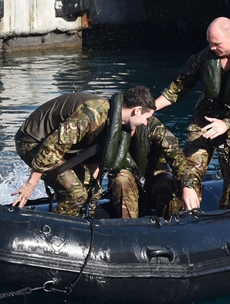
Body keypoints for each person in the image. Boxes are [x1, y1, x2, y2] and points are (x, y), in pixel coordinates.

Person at [154, 17, 230, 210]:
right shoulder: (205, 57)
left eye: (216, 44)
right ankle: (188, 216)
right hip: (204, 120)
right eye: (209, 43)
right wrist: (152, 107)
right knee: (188, 175)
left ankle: (227, 219)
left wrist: (227, 124)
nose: (212, 48)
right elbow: (179, 87)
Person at [11, 87, 156, 217]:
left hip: (61, 148)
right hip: (33, 143)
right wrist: (30, 185)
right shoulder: (93, 114)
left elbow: (94, 158)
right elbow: (52, 146)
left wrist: (90, 187)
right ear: (136, 110)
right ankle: (51, 231)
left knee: (91, 191)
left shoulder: (115, 121)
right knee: (76, 194)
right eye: (146, 118)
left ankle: (78, 222)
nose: (145, 123)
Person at [108, 113, 200, 219]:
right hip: (127, 181)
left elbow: (178, 159)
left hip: (154, 176)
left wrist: (187, 187)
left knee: (167, 183)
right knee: (121, 178)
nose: (144, 121)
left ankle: (172, 224)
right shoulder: (111, 129)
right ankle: (130, 225)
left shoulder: (154, 128)